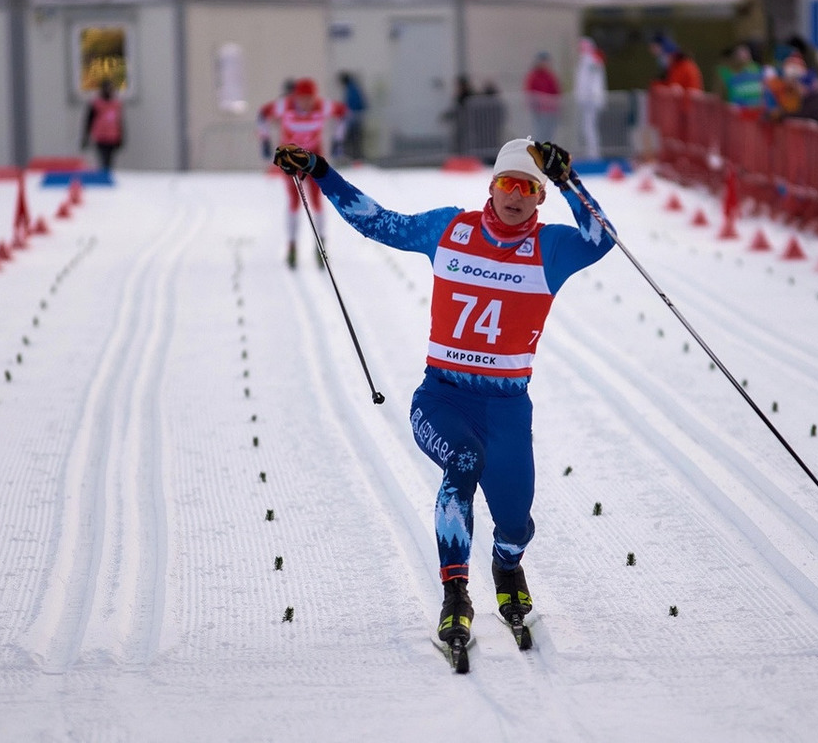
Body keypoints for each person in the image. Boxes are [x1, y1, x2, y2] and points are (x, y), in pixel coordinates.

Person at [272, 137, 615, 651]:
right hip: (442, 399)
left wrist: (569, 181)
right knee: (464, 461)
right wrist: (320, 170)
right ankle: (455, 595)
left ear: (539, 197)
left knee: (517, 524)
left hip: (507, 410)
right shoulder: (451, 229)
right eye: (506, 183)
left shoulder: (552, 249)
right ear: (492, 186)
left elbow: (602, 238)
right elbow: (378, 221)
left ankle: (507, 567)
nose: (515, 195)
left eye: (528, 186)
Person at [258, 77, 346, 269]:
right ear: (296, 96)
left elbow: (343, 113)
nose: (306, 103)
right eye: (302, 98)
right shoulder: (285, 106)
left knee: (317, 201)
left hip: (314, 159)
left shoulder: (322, 106)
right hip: (290, 160)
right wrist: (264, 140)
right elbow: (263, 114)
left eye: (309, 99)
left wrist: (338, 141)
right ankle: (292, 246)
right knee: (294, 201)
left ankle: (321, 245)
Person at [574, 37, 607, 159]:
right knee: (587, 127)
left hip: (591, 100)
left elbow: (593, 82)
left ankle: (594, 153)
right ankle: (590, 151)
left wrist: (591, 97)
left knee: (590, 127)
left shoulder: (592, 61)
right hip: (586, 100)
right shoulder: (585, 61)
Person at [82, 79, 124, 172]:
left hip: (113, 136)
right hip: (101, 136)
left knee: (110, 159)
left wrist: (121, 137)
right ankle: (103, 174)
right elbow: (89, 121)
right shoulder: (96, 103)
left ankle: (107, 174)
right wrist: (85, 137)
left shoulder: (116, 104)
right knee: (103, 158)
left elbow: (119, 121)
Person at [523, 52, 562, 144]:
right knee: (539, 132)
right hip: (539, 110)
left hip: (550, 110)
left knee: (549, 132)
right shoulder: (534, 75)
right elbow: (530, 90)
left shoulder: (549, 76)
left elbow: (556, 90)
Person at [716, 43, 763, 114]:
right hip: (735, 115)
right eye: (739, 55)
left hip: (756, 114)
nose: (743, 57)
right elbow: (719, 96)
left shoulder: (755, 69)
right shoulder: (724, 73)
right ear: (732, 58)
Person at [338, 71, 368, 161]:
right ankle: (356, 156)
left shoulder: (351, 89)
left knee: (354, 138)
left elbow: (352, 104)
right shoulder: (353, 87)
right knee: (356, 138)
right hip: (356, 117)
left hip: (354, 118)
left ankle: (356, 157)